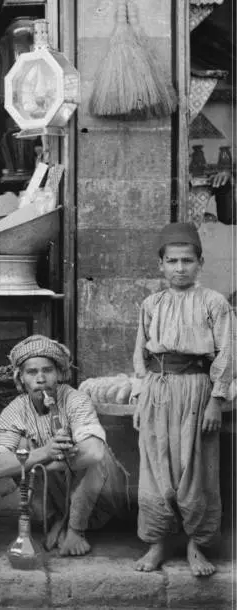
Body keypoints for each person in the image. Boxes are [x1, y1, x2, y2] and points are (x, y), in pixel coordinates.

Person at [132, 222, 235, 577]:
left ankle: (196, 545)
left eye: (187, 261)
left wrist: (215, 400)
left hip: (196, 391)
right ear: (160, 264)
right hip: (158, 392)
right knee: (156, 468)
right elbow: (140, 356)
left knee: (197, 471)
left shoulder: (214, 303)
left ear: (200, 263)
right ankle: (157, 542)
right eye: (172, 261)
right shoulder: (151, 304)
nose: (179, 268)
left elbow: (226, 354)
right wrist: (141, 394)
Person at [0, 335, 129, 557]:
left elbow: (94, 453)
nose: (40, 379)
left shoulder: (76, 400)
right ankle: (54, 519)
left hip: (103, 499)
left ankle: (75, 529)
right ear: (21, 378)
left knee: (97, 452)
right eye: (32, 373)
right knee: (20, 450)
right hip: (60, 496)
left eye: (48, 371)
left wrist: (46, 464)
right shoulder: (13, 411)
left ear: (60, 374)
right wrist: (45, 452)